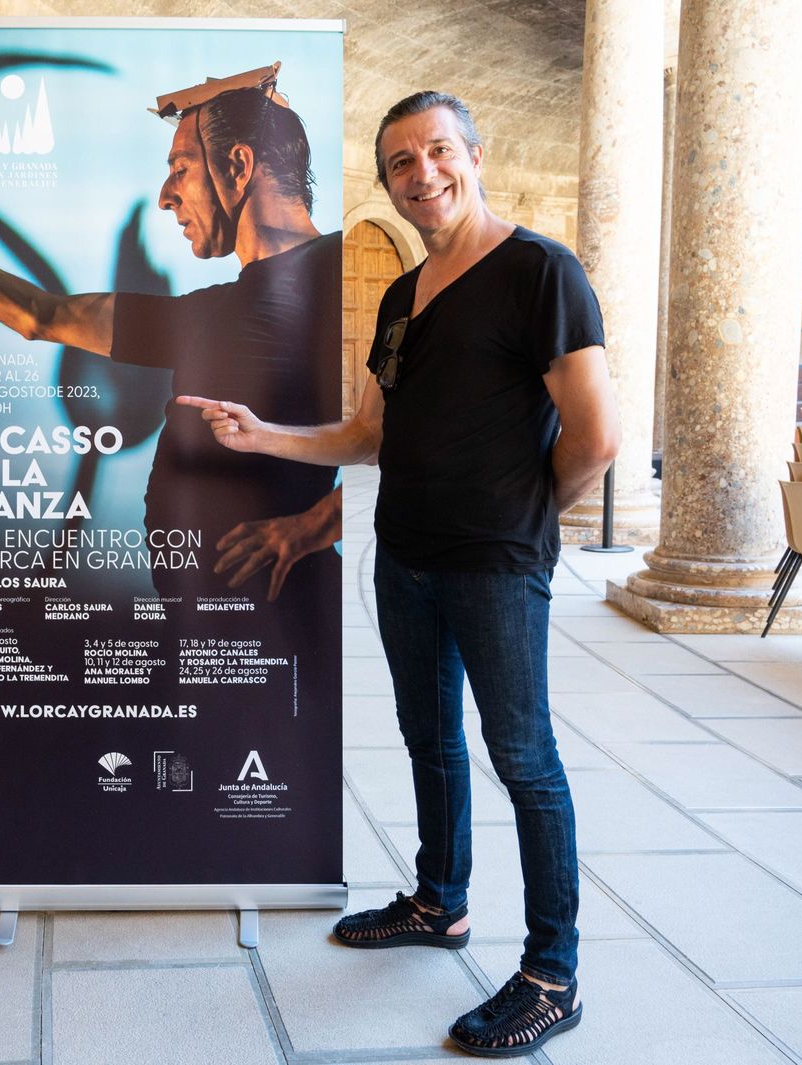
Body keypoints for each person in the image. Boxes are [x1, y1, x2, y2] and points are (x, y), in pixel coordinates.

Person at [179, 92, 619, 1057]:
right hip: (407, 557)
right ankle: (440, 900)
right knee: (429, 737)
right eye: (400, 164)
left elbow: (594, 437)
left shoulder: (542, 272)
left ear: (474, 153)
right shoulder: (402, 296)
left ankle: (553, 974)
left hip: (495, 566)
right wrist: (264, 434)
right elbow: (367, 435)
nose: (423, 175)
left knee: (525, 760)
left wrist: (524, 514)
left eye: (438, 152)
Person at [0, 63, 343, 610]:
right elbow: (39, 315)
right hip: (198, 616)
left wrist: (311, 526)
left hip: (283, 614)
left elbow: (408, 442)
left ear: (238, 165)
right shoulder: (209, 314)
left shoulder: (340, 270)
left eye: (180, 168)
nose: (166, 196)